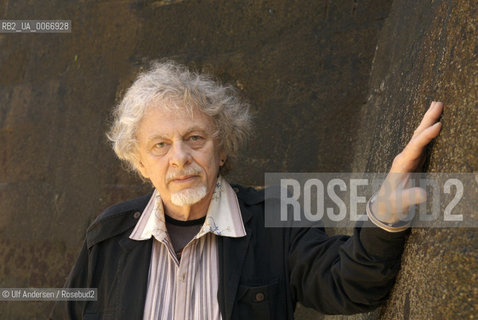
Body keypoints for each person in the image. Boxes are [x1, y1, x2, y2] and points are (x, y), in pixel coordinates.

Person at [50, 61, 443, 320]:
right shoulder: (108, 237)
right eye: (160, 145)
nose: (180, 158)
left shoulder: (274, 220)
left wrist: (386, 213)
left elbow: (348, 284)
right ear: (140, 163)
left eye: (195, 138)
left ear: (222, 149)